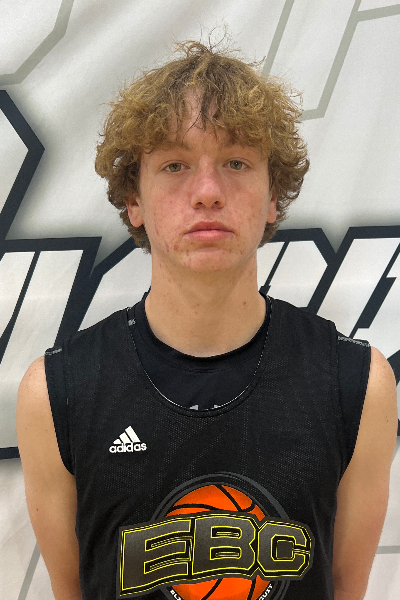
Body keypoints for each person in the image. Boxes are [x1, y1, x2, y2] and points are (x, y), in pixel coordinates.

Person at [17, 40, 397, 600]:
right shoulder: (54, 394)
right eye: (174, 165)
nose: (207, 193)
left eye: (236, 162)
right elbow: (72, 588)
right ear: (134, 201)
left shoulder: (358, 384)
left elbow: (345, 587)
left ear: (273, 197)